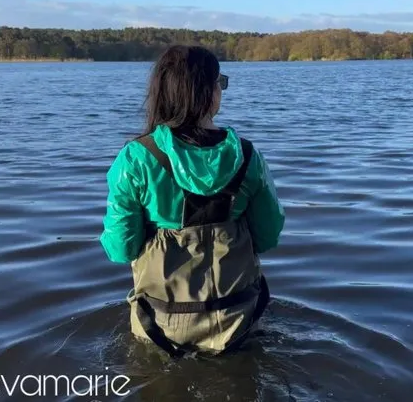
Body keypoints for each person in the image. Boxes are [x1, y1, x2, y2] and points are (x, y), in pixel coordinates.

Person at [99, 44, 285, 358]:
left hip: (159, 325)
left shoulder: (135, 160)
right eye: (220, 82)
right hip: (238, 319)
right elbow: (268, 236)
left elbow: (121, 249)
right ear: (209, 93)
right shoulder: (249, 157)